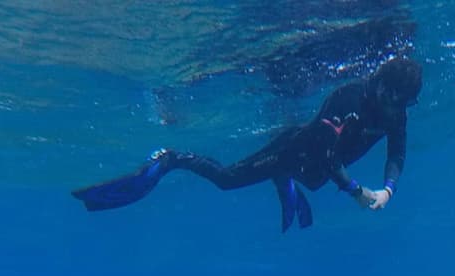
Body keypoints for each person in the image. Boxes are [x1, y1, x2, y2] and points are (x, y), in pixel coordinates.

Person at [72, 56, 422, 232]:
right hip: (294, 151)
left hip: (314, 170)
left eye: (405, 104)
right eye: (396, 100)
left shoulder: (395, 114)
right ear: (381, 88)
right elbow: (328, 155)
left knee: (311, 181)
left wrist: (388, 190)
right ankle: (170, 159)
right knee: (227, 180)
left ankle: (285, 180)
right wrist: (357, 191)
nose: (398, 110)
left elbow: (398, 153)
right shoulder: (350, 99)